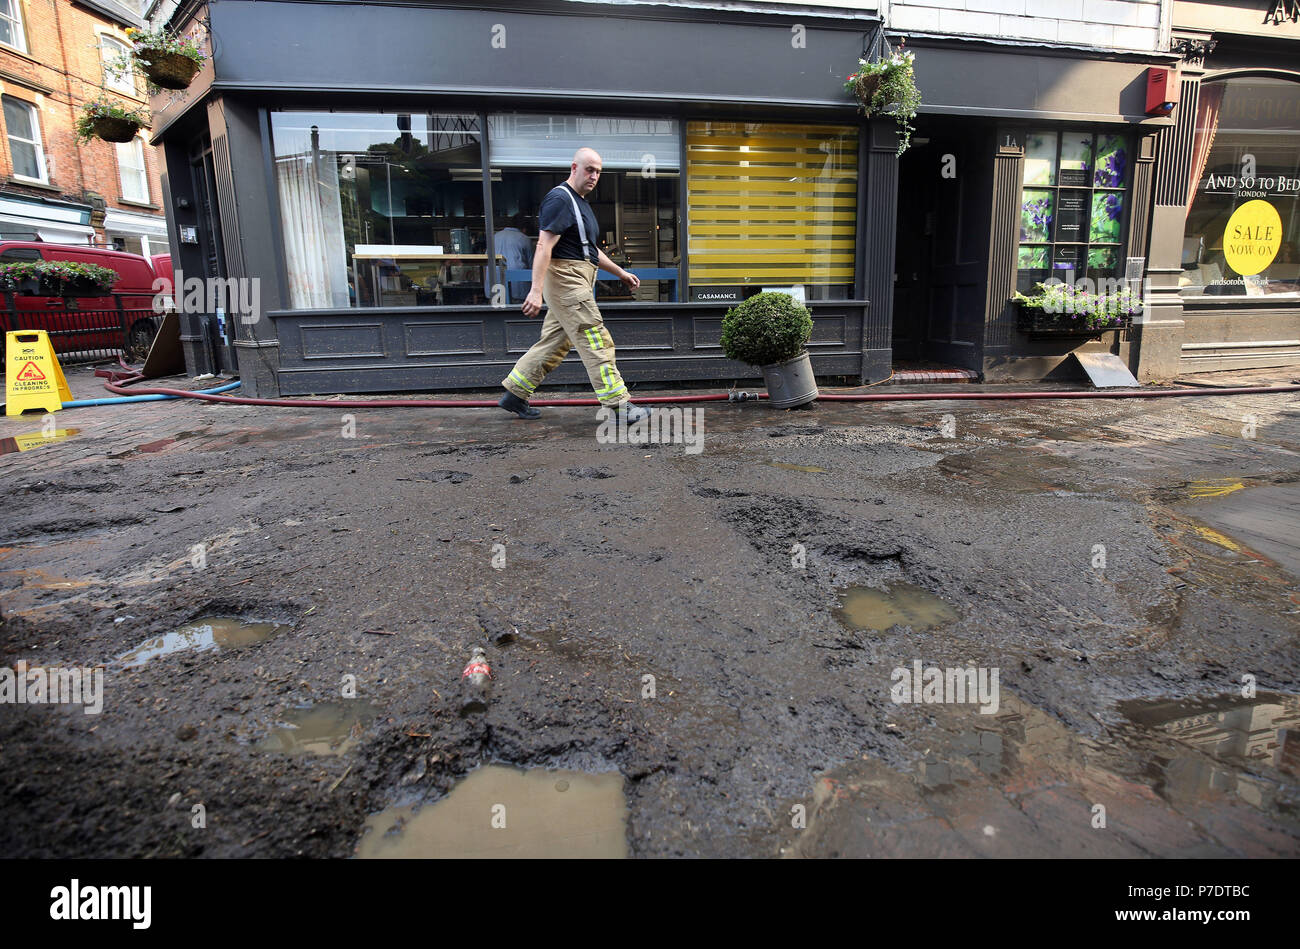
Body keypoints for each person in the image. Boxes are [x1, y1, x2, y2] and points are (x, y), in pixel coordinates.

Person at [498, 147, 650, 423]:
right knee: (595, 338)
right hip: (567, 281)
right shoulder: (560, 199)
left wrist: (620, 273)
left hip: (576, 279)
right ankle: (618, 406)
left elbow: (589, 250)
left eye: (598, 172)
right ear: (574, 168)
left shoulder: (580, 203)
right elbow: (544, 245)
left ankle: (515, 393)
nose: (594, 176)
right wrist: (534, 290)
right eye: (589, 169)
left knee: (555, 343)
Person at [492, 213, 534, 304]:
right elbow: (533, 267)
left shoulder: (494, 237)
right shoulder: (525, 239)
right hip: (517, 290)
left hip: (494, 289)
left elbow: (486, 262)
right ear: (524, 229)